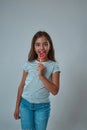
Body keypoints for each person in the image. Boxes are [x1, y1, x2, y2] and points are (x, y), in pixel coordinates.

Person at [14, 31, 60, 130]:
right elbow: (21, 85)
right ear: (34, 48)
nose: (42, 48)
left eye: (45, 44)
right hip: (25, 105)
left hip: (42, 108)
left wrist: (41, 75)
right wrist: (17, 107)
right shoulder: (28, 63)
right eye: (38, 45)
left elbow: (55, 91)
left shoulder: (54, 66)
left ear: (50, 46)